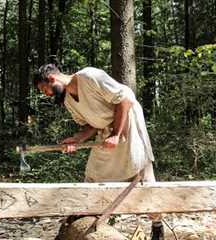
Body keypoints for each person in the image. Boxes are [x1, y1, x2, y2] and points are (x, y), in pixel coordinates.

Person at [34, 64, 164, 240]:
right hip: (105, 132)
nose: (47, 94)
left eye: (45, 89)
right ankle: (86, 218)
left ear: (51, 79)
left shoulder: (89, 76)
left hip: (128, 124)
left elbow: (124, 99)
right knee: (93, 175)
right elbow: (92, 126)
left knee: (141, 175)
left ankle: (157, 225)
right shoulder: (68, 101)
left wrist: (117, 134)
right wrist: (78, 139)